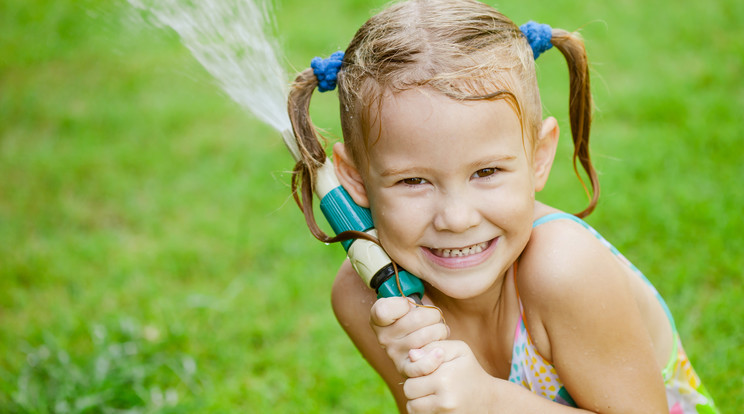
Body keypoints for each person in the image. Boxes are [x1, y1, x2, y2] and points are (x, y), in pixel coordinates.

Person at [287, 0, 718, 412]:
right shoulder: (365, 294)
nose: (457, 218)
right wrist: (425, 371)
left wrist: (489, 402)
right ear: (355, 179)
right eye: (413, 181)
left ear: (539, 156)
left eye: (486, 172)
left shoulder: (562, 269)